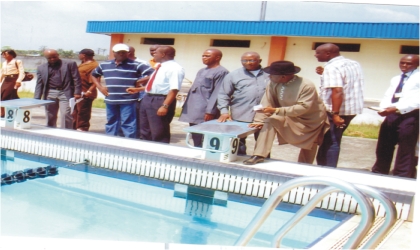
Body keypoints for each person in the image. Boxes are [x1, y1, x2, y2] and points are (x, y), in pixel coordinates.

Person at [243, 61, 329, 165]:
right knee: (271, 120)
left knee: (310, 143)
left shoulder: (306, 85)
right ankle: (259, 155)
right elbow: (267, 102)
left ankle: (305, 166)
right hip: (288, 115)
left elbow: (303, 107)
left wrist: (276, 110)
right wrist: (259, 121)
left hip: (311, 120)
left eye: (272, 74)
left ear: (283, 77)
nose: (269, 76)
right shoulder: (273, 83)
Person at [314, 43, 364, 168]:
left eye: (318, 53)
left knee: (331, 141)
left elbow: (337, 91)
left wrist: (335, 114)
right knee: (332, 140)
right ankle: (324, 167)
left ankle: (327, 170)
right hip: (351, 109)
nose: (315, 55)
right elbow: (346, 81)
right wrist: (323, 74)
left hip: (337, 111)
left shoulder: (332, 67)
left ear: (328, 54)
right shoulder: (354, 63)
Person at [91, 43, 154, 138]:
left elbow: (154, 74)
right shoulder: (104, 65)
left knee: (128, 123)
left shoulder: (136, 65)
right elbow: (94, 75)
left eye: (124, 52)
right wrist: (100, 87)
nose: (121, 54)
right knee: (111, 122)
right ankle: (110, 142)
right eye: (119, 52)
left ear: (128, 53)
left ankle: (129, 144)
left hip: (128, 100)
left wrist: (140, 81)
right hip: (111, 99)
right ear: (113, 53)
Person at [371, 55, 419, 178]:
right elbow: (389, 95)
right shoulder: (396, 78)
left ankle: (401, 175)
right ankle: (379, 171)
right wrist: (384, 108)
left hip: (409, 115)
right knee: (384, 144)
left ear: (417, 64)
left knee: (406, 147)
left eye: (408, 64)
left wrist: (397, 108)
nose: (404, 66)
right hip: (392, 114)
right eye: (402, 63)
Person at [217, 52, 269, 155]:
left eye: (251, 60)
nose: (248, 63)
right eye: (244, 60)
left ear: (260, 61)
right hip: (240, 115)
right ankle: (238, 163)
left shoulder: (269, 75)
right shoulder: (233, 75)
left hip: (263, 116)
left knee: (263, 143)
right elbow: (223, 94)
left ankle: (261, 162)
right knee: (238, 144)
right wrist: (224, 111)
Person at [179, 49, 229, 147]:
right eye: (203, 56)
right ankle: (197, 150)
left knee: (205, 134)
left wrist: (210, 111)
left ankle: (203, 153)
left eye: (207, 56)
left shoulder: (222, 72)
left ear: (217, 58)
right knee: (195, 133)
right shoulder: (202, 70)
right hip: (194, 108)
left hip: (205, 109)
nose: (204, 58)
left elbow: (217, 92)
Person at [139, 45, 185, 143]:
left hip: (160, 100)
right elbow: (159, 86)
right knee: (145, 129)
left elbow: (174, 89)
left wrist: (165, 105)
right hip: (148, 98)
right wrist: (138, 89)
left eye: (156, 53)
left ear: (163, 54)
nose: (153, 55)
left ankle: (159, 155)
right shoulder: (160, 66)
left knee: (159, 131)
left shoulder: (174, 68)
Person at [34, 49, 82, 128]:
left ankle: (65, 133)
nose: (52, 59)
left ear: (58, 55)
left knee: (66, 114)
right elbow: (39, 84)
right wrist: (37, 98)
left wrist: (77, 92)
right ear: (46, 58)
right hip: (50, 93)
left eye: (54, 57)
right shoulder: (41, 68)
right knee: (50, 114)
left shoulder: (69, 64)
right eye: (50, 58)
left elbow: (76, 78)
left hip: (65, 92)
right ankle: (50, 131)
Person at [127, 46, 153, 139]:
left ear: (129, 52)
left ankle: (139, 136)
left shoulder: (142, 63)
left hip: (140, 95)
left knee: (139, 117)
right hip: (127, 94)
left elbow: (149, 77)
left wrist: (137, 82)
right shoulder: (122, 63)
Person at [72, 49, 99, 131]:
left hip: (86, 94)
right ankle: (74, 128)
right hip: (78, 93)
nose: (78, 56)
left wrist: (89, 91)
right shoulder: (83, 64)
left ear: (83, 55)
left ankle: (82, 129)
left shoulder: (93, 65)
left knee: (83, 113)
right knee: (75, 113)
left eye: (79, 54)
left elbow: (96, 80)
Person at [1, 49, 25, 117]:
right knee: (2, 95)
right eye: (3, 54)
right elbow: (2, 72)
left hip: (13, 80)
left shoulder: (17, 62)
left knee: (6, 95)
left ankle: (5, 113)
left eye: (5, 54)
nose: (4, 56)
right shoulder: (4, 63)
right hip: (6, 80)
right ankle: (3, 112)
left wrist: (18, 81)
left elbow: (21, 72)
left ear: (11, 55)